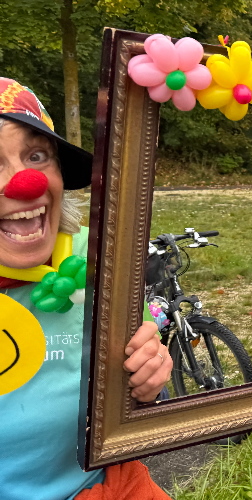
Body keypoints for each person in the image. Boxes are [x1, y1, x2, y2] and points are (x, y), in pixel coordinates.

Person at [0, 77, 173, 500]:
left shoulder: (98, 264)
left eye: (36, 155)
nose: (26, 182)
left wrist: (147, 384)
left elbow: (134, 407)